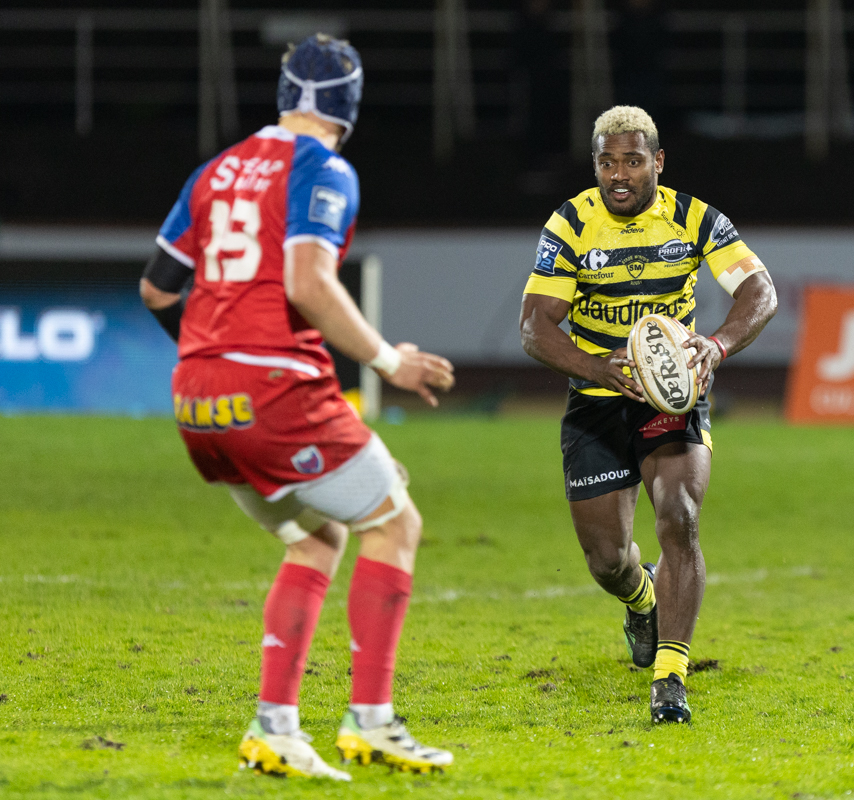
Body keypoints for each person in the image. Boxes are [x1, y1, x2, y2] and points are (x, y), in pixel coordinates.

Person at [139, 35, 456, 779]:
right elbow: (307, 282)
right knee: (395, 521)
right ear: (350, 105)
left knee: (317, 537)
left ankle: (275, 727)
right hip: (274, 389)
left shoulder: (215, 169)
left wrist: (209, 359)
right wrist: (390, 362)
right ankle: (371, 722)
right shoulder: (325, 168)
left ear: (282, 95)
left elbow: (157, 287)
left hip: (196, 397)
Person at [518, 106, 777, 724]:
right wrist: (596, 367)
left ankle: (670, 677)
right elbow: (534, 326)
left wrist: (714, 346)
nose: (619, 174)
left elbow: (759, 292)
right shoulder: (573, 222)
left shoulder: (694, 219)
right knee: (608, 559)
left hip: (672, 397)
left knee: (680, 517)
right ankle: (640, 599)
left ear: (657, 162)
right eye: (607, 162)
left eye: (633, 160)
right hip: (599, 401)